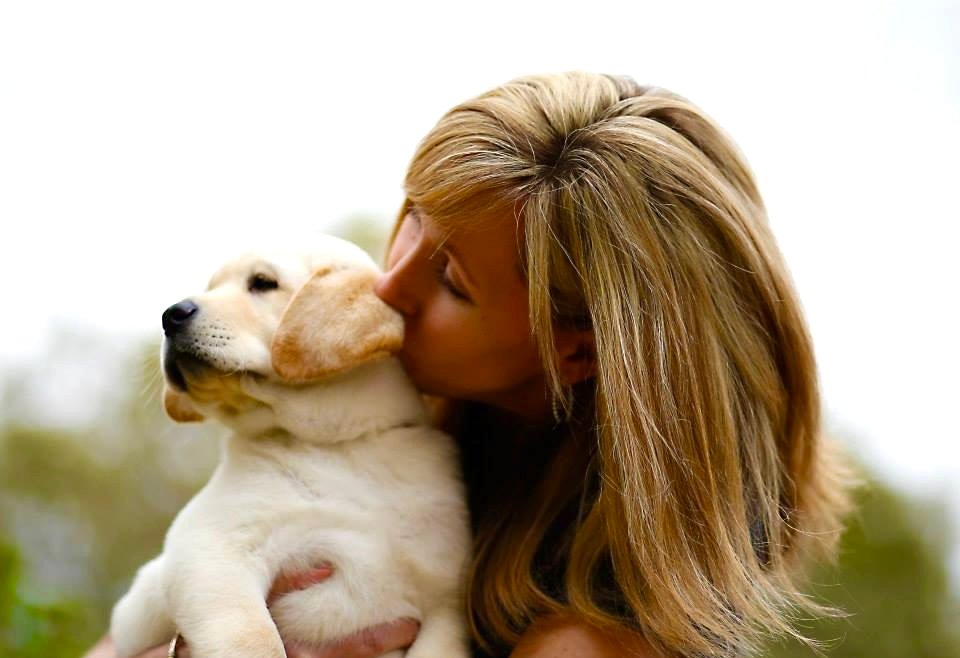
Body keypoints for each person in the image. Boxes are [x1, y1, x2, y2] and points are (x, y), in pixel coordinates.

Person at [84, 72, 852, 658]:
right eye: (411, 216)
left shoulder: (586, 640)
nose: (389, 284)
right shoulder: (367, 423)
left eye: (452, 281)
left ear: (574, 349)